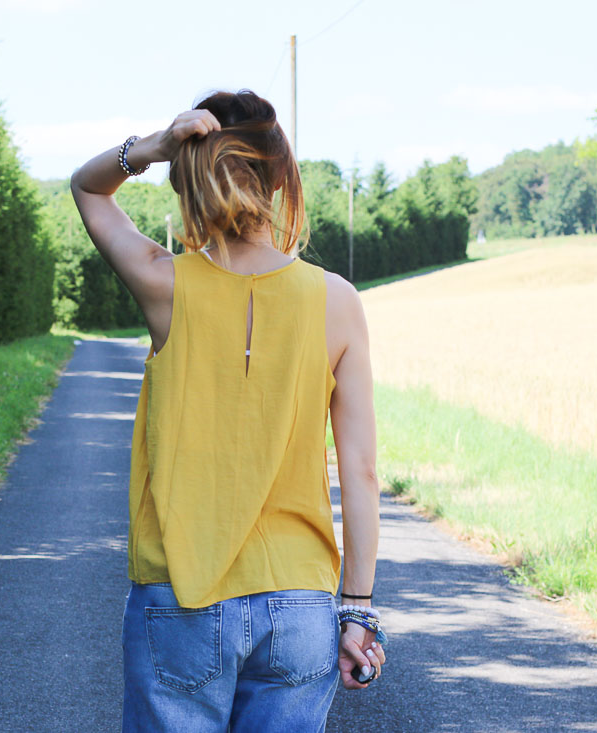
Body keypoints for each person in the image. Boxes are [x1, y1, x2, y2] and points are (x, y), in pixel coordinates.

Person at [71, 89, 385, 732]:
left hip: (181, 594)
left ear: (194, 174)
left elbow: (87, 189)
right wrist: (358, 609)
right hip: (298, 602)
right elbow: (361, 472)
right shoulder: (338, 301)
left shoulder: (165, 283)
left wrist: (150, 149)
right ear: (279, 177)